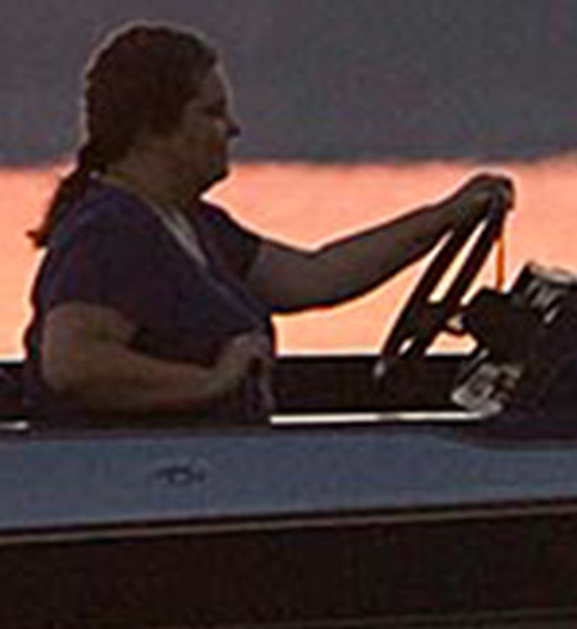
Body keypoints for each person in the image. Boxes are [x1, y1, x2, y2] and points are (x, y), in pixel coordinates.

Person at [26, 21, 512, 418]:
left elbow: (316, 276)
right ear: (152, 129)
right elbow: (73, 363)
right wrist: (211, 383)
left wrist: (445, 216)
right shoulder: (110, 233)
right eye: (212, 113)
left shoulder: (194, 224)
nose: (233, 129)